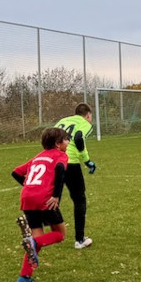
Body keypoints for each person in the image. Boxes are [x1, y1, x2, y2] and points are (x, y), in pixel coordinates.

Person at [11, 127, 70, 282]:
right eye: (66, 139)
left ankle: (23, 279)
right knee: (59, 234)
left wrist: (29, 186)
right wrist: (56, 196)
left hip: (27, 198)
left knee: (37, 242)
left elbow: (16, 172)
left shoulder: (37, 157)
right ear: (58, 144)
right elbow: (59, 170)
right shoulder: (61, 155)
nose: (68, 142)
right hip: (44, 200)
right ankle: (32, 241)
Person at [54, 102, 97, 249]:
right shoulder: (84, 123)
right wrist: (87, 161)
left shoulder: (62, 121)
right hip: (70, 163)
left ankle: (37, 231)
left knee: (54, 198)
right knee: (79, 199)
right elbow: (78, 139)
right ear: (88, 115)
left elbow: (51, 137)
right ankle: (79, 240)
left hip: (54, 162)